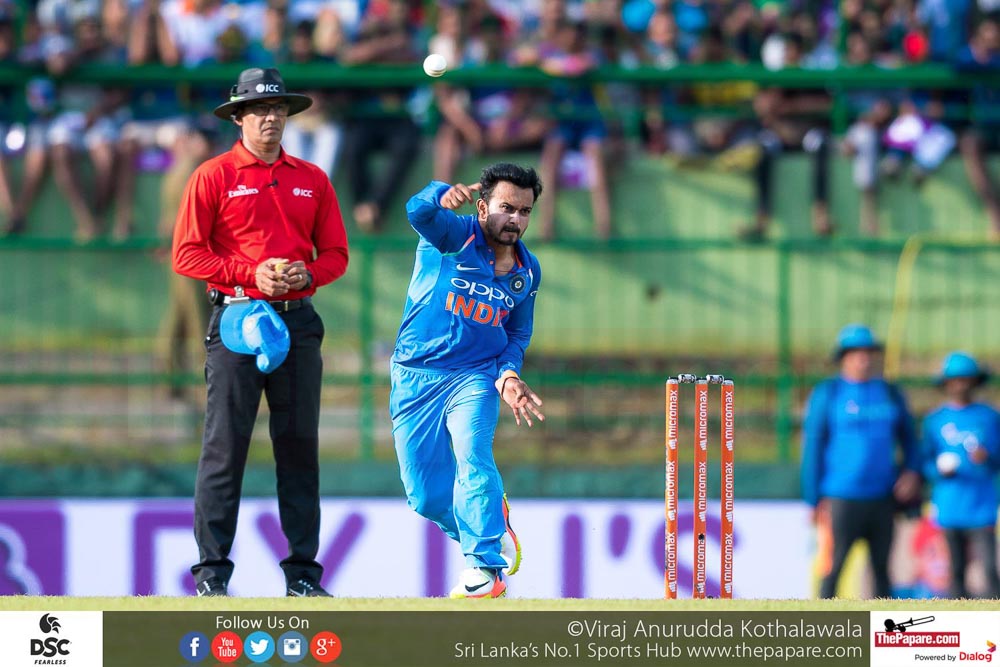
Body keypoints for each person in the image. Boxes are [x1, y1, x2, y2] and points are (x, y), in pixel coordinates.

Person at [172, 67, 350, 597]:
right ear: (239, 117)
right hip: (237, 319)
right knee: (224, 448)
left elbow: (336, 255)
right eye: (258, 109)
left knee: (298, 448)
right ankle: (211, 575)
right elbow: (187, 254)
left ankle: (302, 576)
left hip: (297, 318)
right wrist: (251, 274)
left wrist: (306, 275)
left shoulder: (312, 178)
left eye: (277, 109)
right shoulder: (213, 175)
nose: (270, 118)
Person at [390, 163, 545, 599]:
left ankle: (485, 567)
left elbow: (517, 334)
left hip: (475, 376)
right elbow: (418, 212)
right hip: (415, 374)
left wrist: (508, 373)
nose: (515, 220)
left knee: (473, 456)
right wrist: (440, 192)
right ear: (482, 207)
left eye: (525, 211)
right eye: (506, 208)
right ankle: (491, 523)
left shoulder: (528, 271)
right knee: (423, 497)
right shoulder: (453, 233)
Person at [801, 323, 923, 598]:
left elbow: (909, 440)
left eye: (868, 352)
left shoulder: (890, 393)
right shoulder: (830, 393)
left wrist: (912, 471)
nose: (863, 358)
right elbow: (813, 447)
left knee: (882, 570)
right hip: (841, 497)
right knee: (833, 567)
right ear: (843, 357)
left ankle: (883, 624)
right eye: (856, 352)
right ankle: (820, 621)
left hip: (882, 496)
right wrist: (812, 498)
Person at [921, 351, 1000, 598]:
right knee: (955, 571)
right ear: (946, 383)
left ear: (975, 381)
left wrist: (987, 458)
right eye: (955, 380)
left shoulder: (989, 417)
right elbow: (924, 462)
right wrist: (939, 470)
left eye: (966, 379)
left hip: (981, 507)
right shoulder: (935, 420)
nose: (960, 385)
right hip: (949, 507)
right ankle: (958, 619)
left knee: (989, 570)